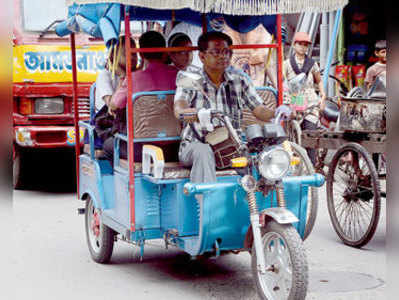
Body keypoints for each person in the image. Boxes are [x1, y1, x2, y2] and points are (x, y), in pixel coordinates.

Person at [174, 31, 275, 183]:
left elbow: (259, 109)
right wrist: (190, 113)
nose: (223, 56)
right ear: (202, 56)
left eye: (227, 52)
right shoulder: (191, 77)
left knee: (269, 152)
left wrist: (279, 112)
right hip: (196, 143)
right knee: (203, 151)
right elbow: (179, 107)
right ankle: (207, 204)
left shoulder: (239, 79)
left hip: (232, 146)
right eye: (216, 52)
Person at [104, 31, 179, 164]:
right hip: (175, 149)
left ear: (141, 54)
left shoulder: (133, 78)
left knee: (109, 145)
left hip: (141, 151)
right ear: (164, 52)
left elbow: (114, 105)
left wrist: (123, 76)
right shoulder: (178, 74)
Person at [283, 31, 326, 164]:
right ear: (294, 45)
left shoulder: (312, 63)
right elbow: (284, 84)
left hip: (310, 99)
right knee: (293, 135)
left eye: (305, 45)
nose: (303, 47)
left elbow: (319, 80)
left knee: (311, 134)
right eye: (300, 44)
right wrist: (290, 104)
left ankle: (311, 166)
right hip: (295, 97)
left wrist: (323, 95)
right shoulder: (287, 64)